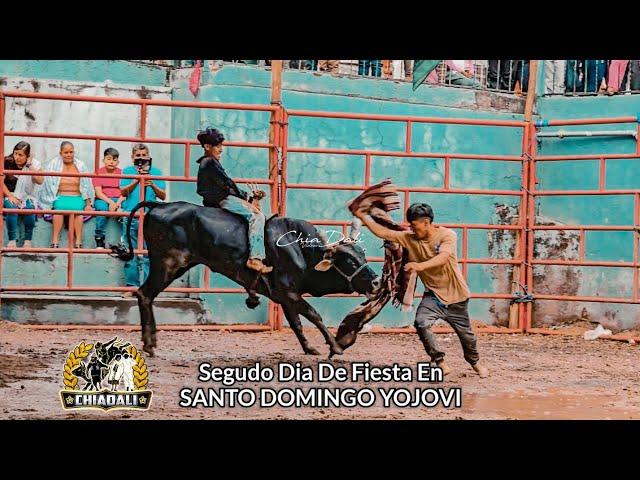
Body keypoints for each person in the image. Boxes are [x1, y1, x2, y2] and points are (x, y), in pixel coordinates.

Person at [354, 202, 489, 378]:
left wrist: (419, 266)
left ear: (426, 222)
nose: (411, 228)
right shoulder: (409, 238)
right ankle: (439, 361)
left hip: (457, 297)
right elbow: (383, 232)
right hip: (433, 296)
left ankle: (475, 363)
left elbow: (443, 257)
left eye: (414, 225)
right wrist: (363, 217)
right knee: (421, 323)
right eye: (410, 225)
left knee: (467, 337)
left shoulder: (447, 235)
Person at [195, 127, 272, 274]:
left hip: (220, 198)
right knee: (257, 216)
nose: (221, 149)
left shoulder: (208, 163)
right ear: (207, 146)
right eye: (218, 146)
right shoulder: (210, 163)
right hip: (222, 200)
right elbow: (228, 184)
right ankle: (255, 258)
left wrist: (249, 197)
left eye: (221, 145)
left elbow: (228, 184)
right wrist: (248, 199)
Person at [119, 143, 166, 295]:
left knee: (148, 252)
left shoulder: (156, 172)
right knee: (131, 251)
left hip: (150, 217)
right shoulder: (127, 171)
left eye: (144, 155)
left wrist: (151, 184)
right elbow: (123, 192)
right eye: (138, 156)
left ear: (149, 156)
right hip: (132, 215)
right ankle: (131, 286)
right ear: (133, 157)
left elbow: (163, 196)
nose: (141, 159)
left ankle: (147, 288)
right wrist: (136, 180)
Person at [39, 141, 94, 248]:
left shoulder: (81, 165)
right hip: (60, 197)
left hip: (77, 198)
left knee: (78, 213)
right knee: (58, 211)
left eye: (71, 152)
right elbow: (48, 185)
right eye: (66, 152)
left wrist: (88, 204)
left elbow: (87, 185)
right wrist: (49, 203)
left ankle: (78, 242)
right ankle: (54, 242)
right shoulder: (53, 165)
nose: (69, 155)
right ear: (61, 153)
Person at [2, 141, 43, 248]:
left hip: (27, 196)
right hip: (9, 194)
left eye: (21, 155)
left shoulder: (34, 164)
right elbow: (1, 182)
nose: (17, 157)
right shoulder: (7, 161)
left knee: (29, 208)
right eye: (15, 153)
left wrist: (29, 165)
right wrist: (10, 196)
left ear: (27, 156)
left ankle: (27, 241)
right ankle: (12, 240)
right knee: (11, 207)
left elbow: (39, 180)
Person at [92, 147, 125, 248]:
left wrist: (117, 204)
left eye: (114, 160)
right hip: (102, 199)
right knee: (102, 209)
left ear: (118, 162)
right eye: (109, 159)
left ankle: (124, 239)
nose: (111, 162)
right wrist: (111, 203)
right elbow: (98, 193)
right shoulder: (98, 172)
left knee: (125, 211)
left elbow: (124, 193)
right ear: (103, 160)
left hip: (119, 199)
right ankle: (99, 238)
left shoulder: (122, 173)